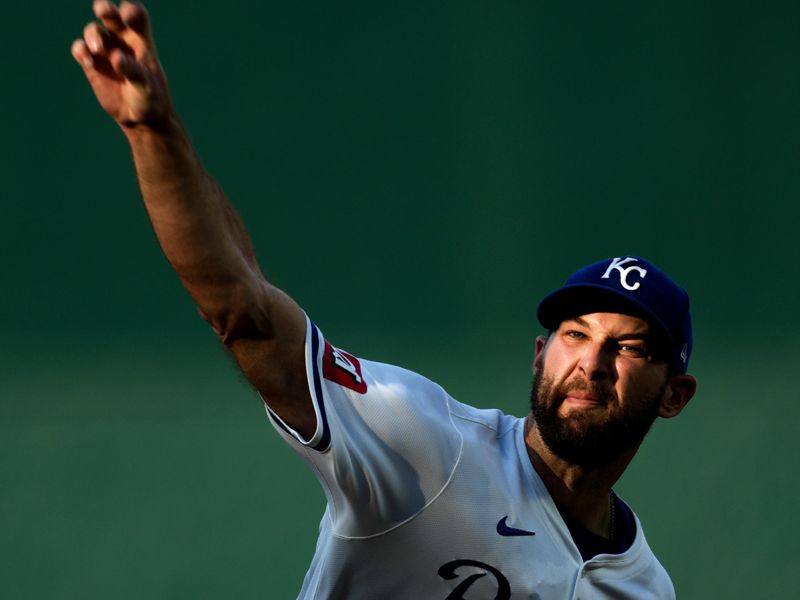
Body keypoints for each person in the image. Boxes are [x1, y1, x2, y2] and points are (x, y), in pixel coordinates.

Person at [72, 2, 697, 598]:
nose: (591, 362)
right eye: (575, 334)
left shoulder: (642, 587)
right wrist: (152, 129)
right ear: (540, 355)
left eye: (630, 347)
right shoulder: (427, 446)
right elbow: (245, 311)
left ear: (673, 395)